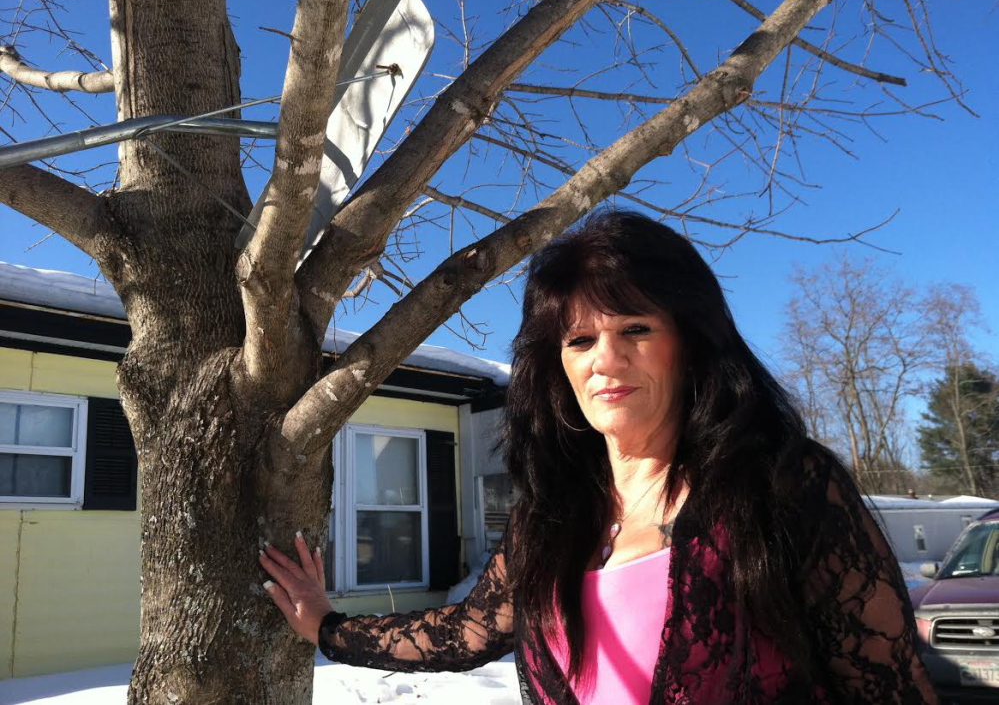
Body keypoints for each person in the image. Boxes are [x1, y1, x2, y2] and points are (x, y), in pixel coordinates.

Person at [259, 210, 937, 704]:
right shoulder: (551, 515)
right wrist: (327, 627)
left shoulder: (779, 487)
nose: (605, 362)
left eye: (634, 330)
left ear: (691, 342)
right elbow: (470, 630)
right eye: (578, 341)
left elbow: (888, 688)